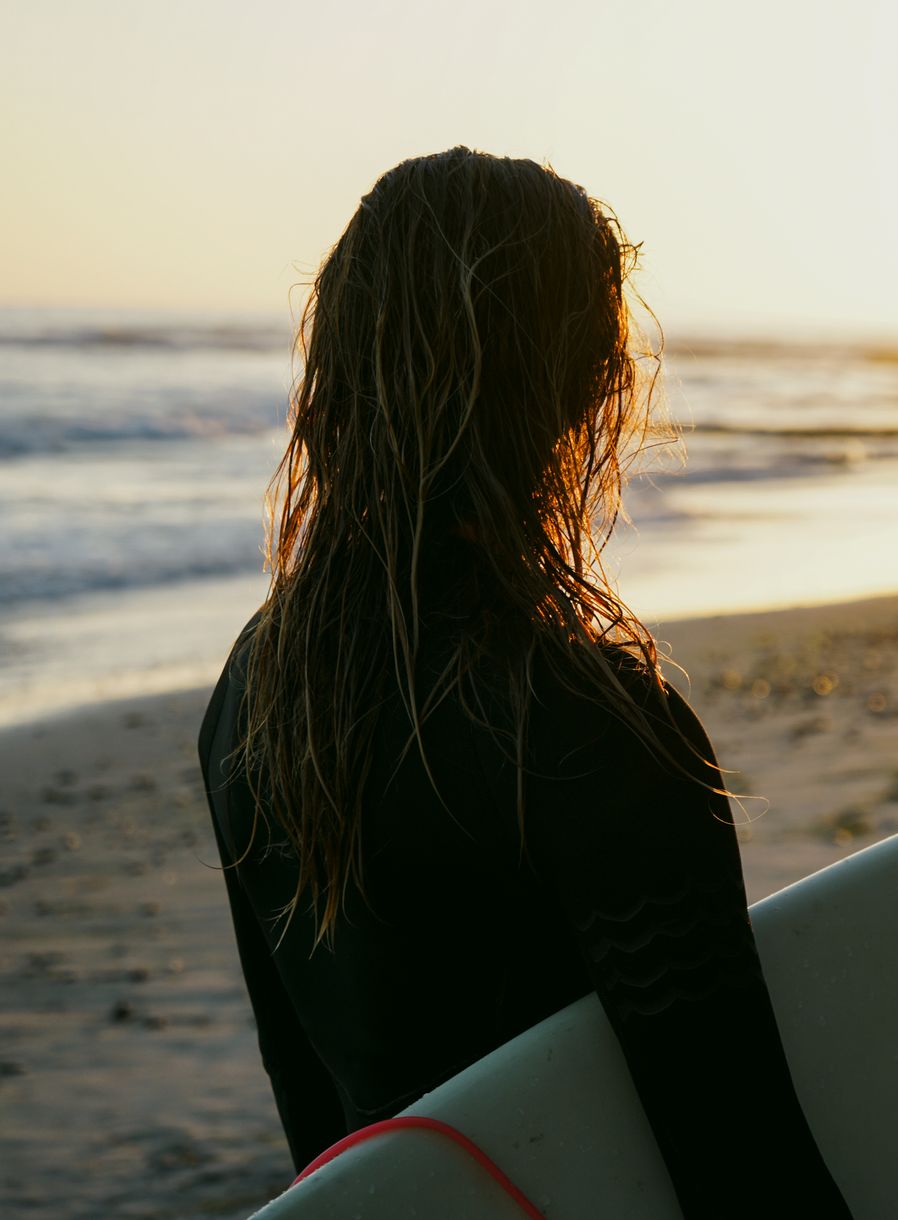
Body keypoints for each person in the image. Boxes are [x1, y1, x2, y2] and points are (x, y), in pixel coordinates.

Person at [198, 148, 852, 1218]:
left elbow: (321, 1142)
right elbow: (745, 1167)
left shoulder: (254, 693)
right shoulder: (589, 731)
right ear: (590, 379)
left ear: (341, 366)